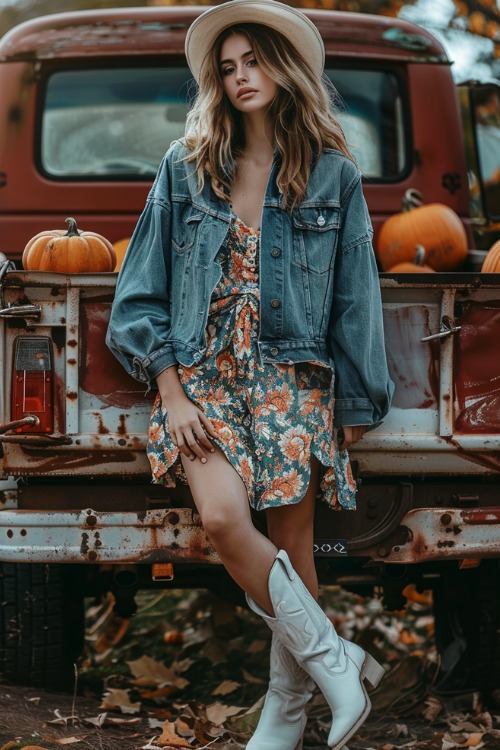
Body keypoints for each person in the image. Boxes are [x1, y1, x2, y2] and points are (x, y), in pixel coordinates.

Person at [106, 1, 394, 748]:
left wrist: (357, 393)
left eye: (253, 61)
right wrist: (169, 390)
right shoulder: (186, 167)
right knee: (227, 521)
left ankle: (287, 712)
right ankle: (336, 662)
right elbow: (138, 295)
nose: (240, 77)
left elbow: (356, 293)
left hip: (293, 377)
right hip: (202, 376)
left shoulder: (333, 176)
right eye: (227, 68)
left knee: (294, 551)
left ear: (284, 67)